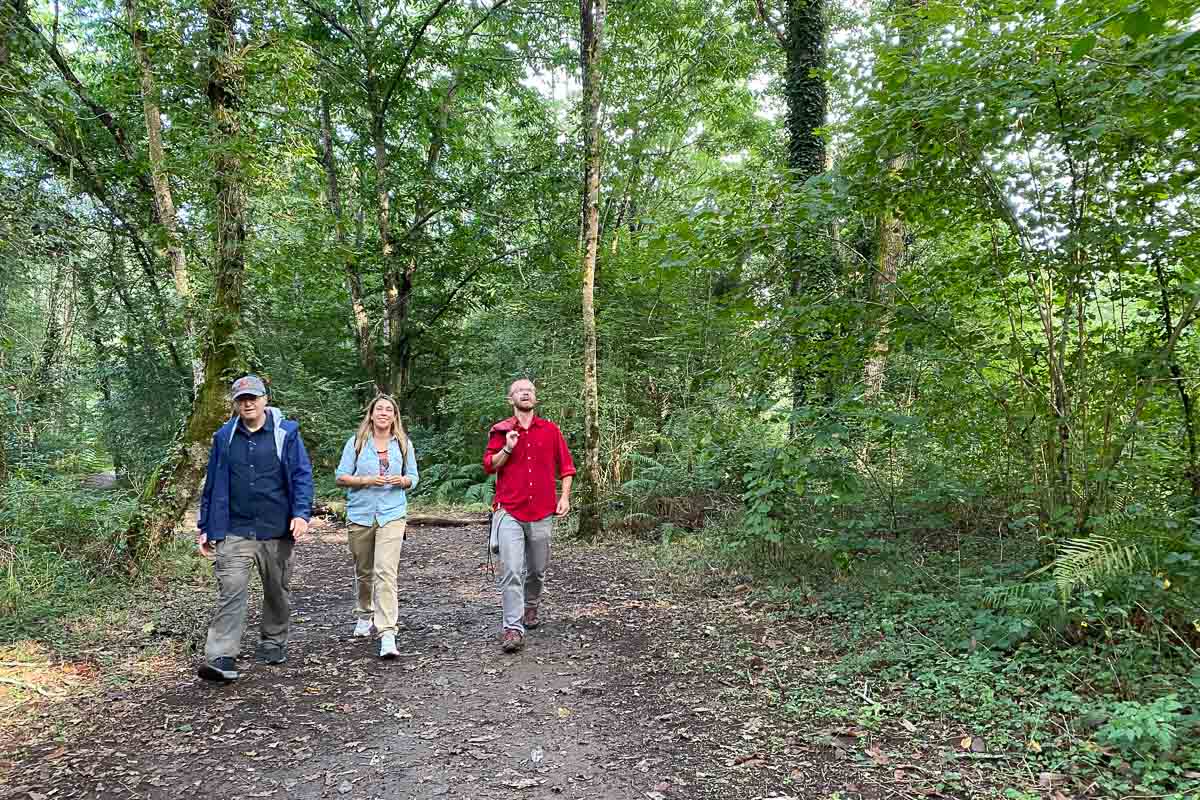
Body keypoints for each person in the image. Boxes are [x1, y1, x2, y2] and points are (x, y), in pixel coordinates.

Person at [196, 375, 314, 682]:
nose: (247, 403)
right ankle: (221, 655)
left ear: (264, 400)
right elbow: (213, 484)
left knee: (277, 589)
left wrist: (301, 514)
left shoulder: (285, 433)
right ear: (235, 404)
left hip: (276, 528)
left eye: (253, 397)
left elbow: (302, 476)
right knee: (231, 591)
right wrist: (205, 526)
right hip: (234, 528)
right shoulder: (224, 437)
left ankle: (273, 641)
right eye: (241, 399)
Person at [483, 378, 575, 653]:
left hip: (542, 511)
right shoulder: (501, 431)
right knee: (511, 570)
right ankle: (512, 627)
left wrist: (565, 497)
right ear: (510, 399)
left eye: (530, 390)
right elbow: (489, 466)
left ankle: (531, 606)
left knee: (536, 570)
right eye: (519, 391)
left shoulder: (550, 430)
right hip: (509, 509)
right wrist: (508, 447)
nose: (526, 393)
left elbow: (567, 468)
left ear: (535, 398)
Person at [334, 395, 419, 659]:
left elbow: (414, 477)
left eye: (389, 410)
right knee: (365, 570)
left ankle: (387, 634)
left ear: (395, 417)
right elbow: (340, 477)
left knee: (385, 572)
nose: (384, 413)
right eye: (379, 409)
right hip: (361, 514)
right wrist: (366, 479)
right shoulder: (357, 443)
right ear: (371, 414)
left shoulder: (403, 444)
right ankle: (364, 612)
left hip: (392, 514)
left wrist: (402, 480)